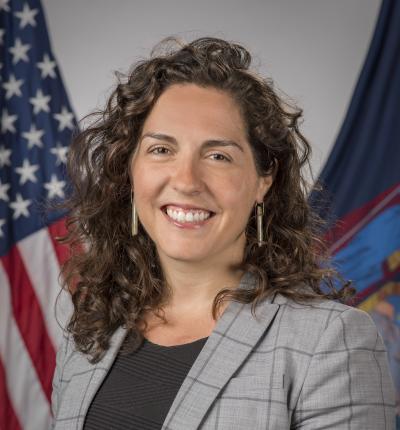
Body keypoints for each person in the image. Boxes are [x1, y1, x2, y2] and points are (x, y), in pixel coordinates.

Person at [50, 36, 396, 429]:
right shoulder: (92, 330)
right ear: (130, 170)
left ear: (264, 179)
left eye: (218, 156)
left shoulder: (330, 341)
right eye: (161, 149)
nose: (186, 180)